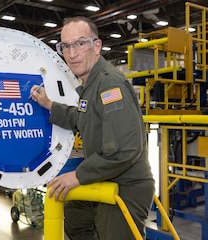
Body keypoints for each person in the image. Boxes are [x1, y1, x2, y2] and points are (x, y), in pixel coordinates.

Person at [30, 16, 155, 240]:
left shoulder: (109, 84)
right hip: (104, 177)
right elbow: (81, 118)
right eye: (65, 46)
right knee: (75, 216)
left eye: (80, 43)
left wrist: (78, 175)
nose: (72, 53)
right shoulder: (90, 85)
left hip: (124, 186)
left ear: (96, 46)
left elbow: (125, 149)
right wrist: (49, 105)